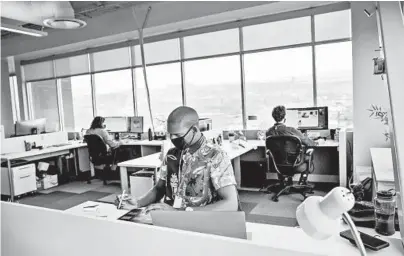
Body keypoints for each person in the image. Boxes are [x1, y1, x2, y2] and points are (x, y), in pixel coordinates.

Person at [117, 106, 240, 212]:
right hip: (169, 220)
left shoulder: (215, 155)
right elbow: (160, 188)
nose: (173, 138)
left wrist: (179, 213)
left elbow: (231, 204)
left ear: (194, 130)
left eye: (178, 135)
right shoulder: (172, 155)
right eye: (171, 134)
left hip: (200, 223)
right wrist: (138, 202)